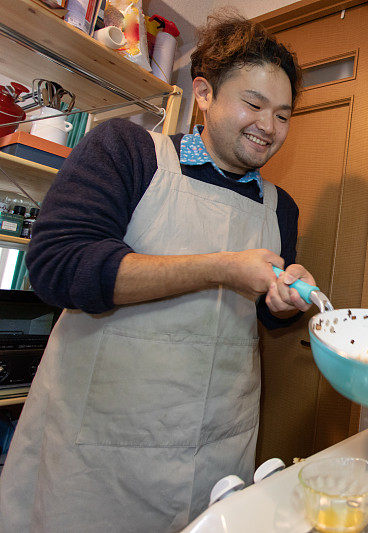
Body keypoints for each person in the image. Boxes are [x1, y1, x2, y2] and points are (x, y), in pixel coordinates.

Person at [0, 11, 313, 532]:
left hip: (216, 455)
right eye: (253, 104)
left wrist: (285, 300)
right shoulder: (128, 151)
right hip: (97, 453)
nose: (268, 127)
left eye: (283, 114)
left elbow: (264, 318)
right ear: (205, 93)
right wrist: (220, 267)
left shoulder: (280, 208)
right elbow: (57, 268)